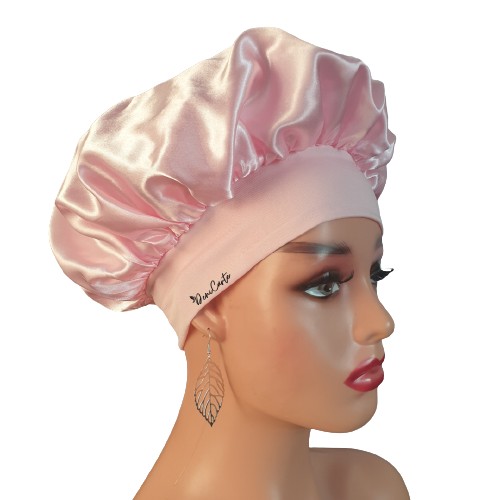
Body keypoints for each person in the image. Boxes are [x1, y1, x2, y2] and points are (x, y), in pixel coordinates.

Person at [49, 27, 410, 499]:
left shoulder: (371, 488)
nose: (380, 322)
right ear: (209, 304)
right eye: (324, 285)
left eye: (375, 275)